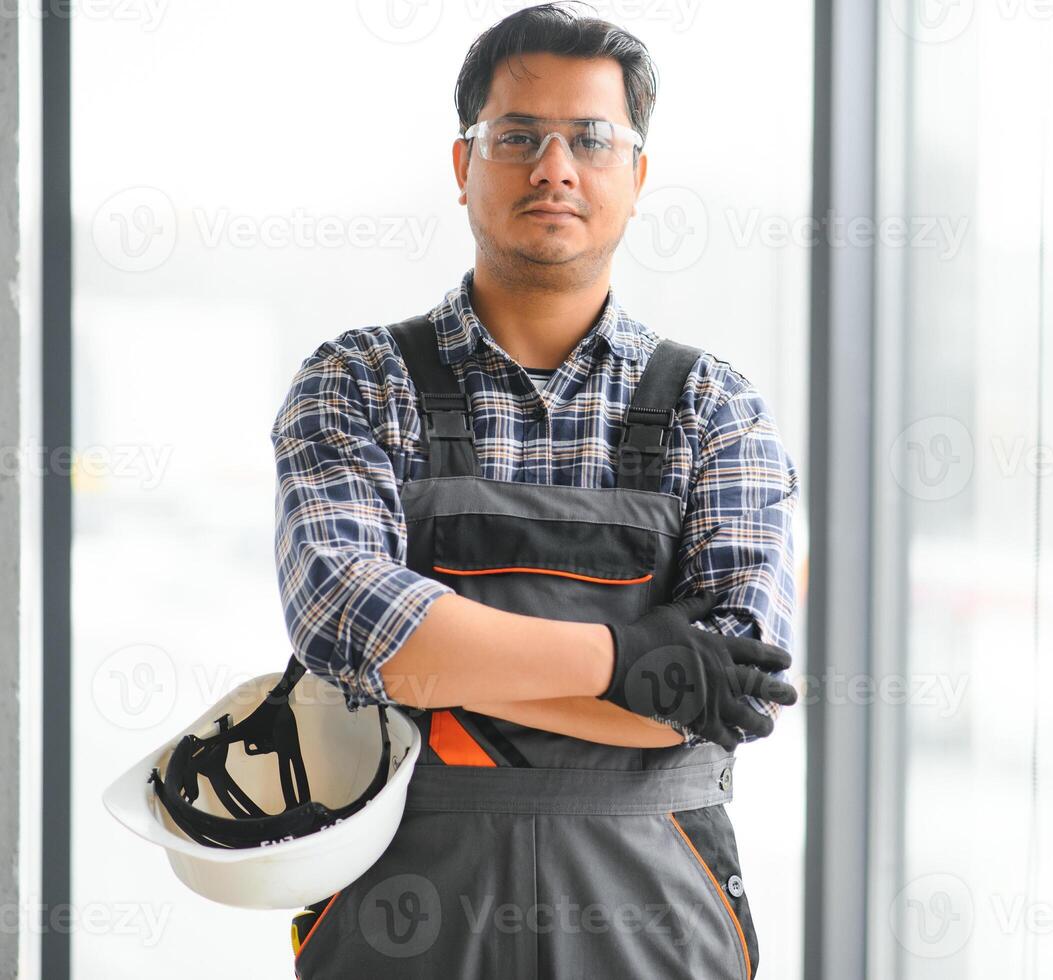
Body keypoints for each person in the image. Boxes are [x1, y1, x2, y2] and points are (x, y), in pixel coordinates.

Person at [270, 3, 800, 977]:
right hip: (401, 918)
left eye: (591, 139)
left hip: (656, 916)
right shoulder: (359, 382)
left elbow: (730, 688)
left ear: (635, 177)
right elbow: (348, 622)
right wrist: (623, 657)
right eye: (517, 136)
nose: (554, 165)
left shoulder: (714, 408)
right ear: (464, 164)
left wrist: (445, 667)